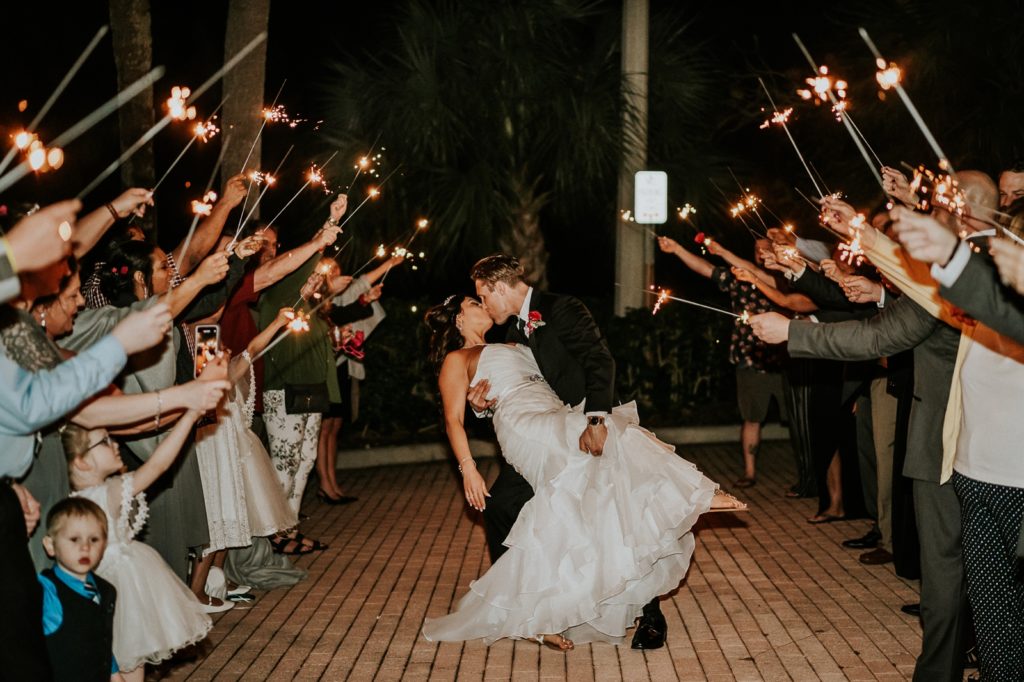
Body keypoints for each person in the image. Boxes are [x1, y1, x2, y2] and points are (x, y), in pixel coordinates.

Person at [420, 294, 744, 649]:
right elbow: (453, 420)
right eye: (472, 301)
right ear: (458, 321)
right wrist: (469, 464)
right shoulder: (458, 358)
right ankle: (692, 494)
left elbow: (560, 369)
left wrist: (487, 403)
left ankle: (582, 609)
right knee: (597, 468)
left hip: (560, 414)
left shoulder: (519, 334)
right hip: (527, 427)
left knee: (604, 474)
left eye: (483, 296)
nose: (482, 302)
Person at [63, 364, 228, 682]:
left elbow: (158, 465)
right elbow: (157, 465)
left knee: (129, 665)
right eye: (105, 442)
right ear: (81, 461)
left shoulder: (109, 491)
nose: (115, 445)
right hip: (98, 591)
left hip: (126, 591)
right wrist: (190, 414)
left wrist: (190, 415)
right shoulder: (94, 496)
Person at [38, 497, 120, 682]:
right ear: (51, 546)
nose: (85, 547)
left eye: (94, 539)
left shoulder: (106, 591)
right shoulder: (46, 591)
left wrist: (114, 674)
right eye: (74, 539)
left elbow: (101, 639)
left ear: (104, 545)